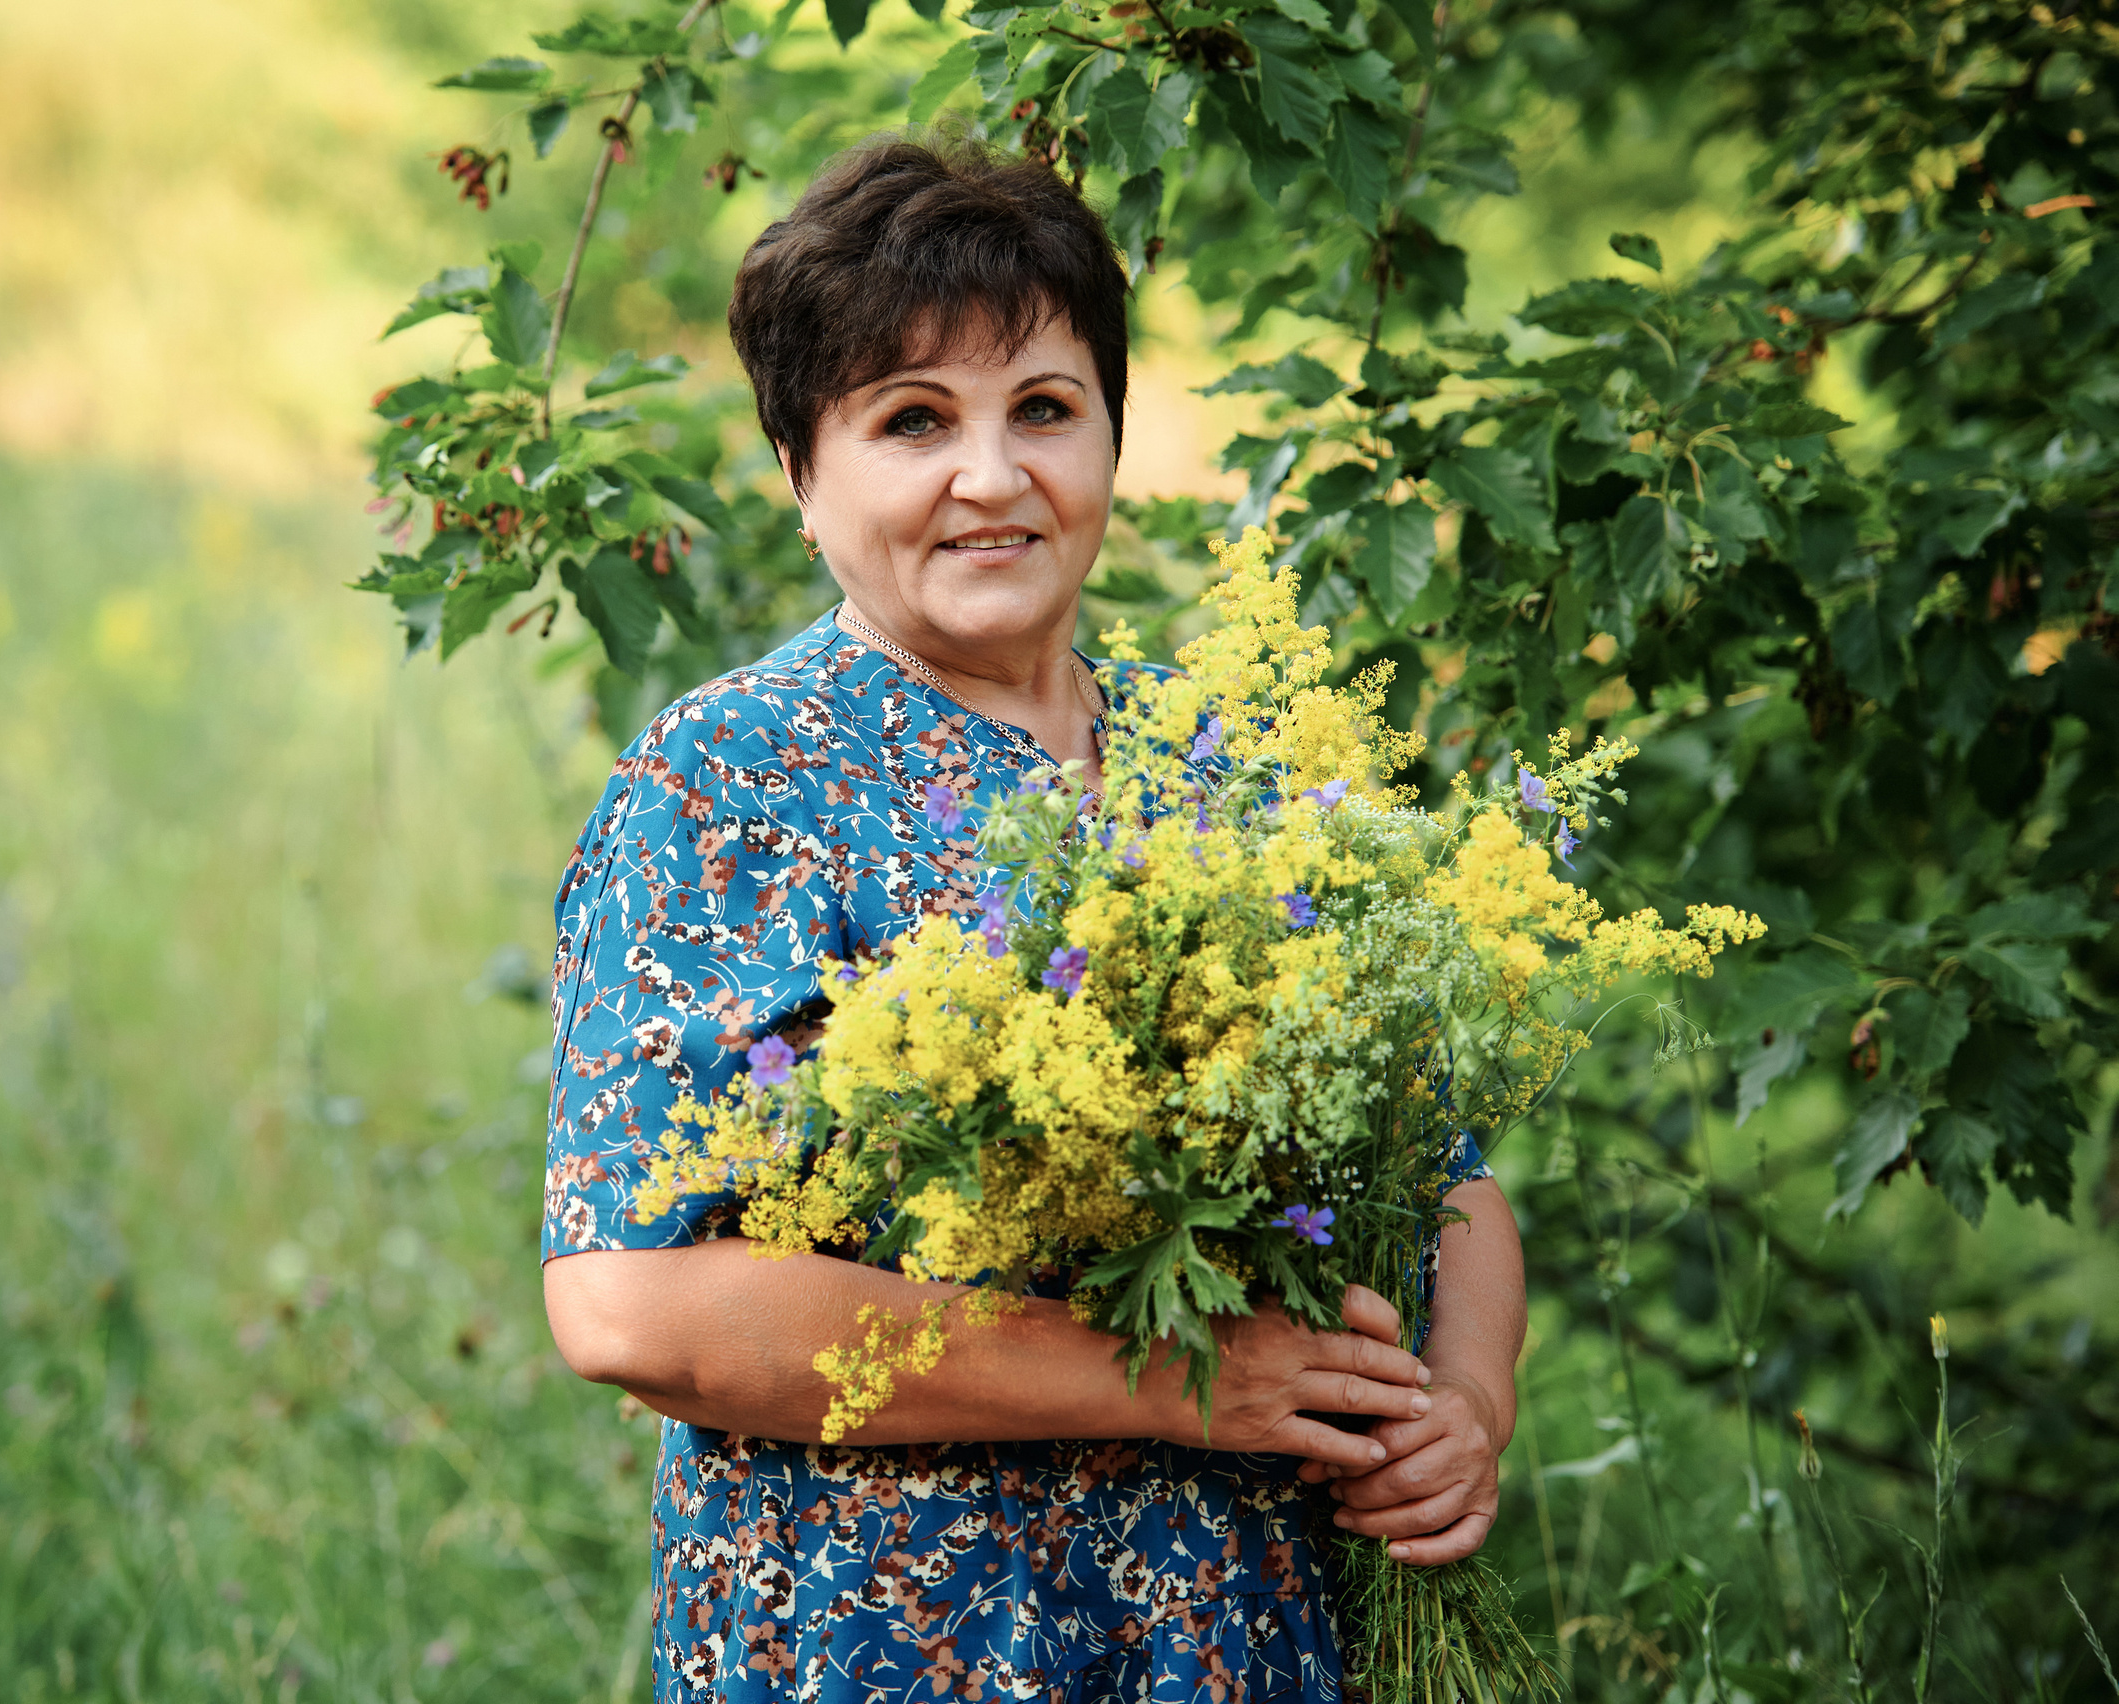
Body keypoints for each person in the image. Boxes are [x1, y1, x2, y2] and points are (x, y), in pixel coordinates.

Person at [539, 133, 1527, 1703]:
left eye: (1045, 411)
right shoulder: (730, 783)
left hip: (1242, 1634)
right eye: (912, 420)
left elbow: (1446, 1174)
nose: (991, 478)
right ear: (801, 471)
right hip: (894, 1645)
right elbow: (627, 1302)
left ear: (1113, 441)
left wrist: (1462, 1410)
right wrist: (1168, 1380)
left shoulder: (1235, 771)